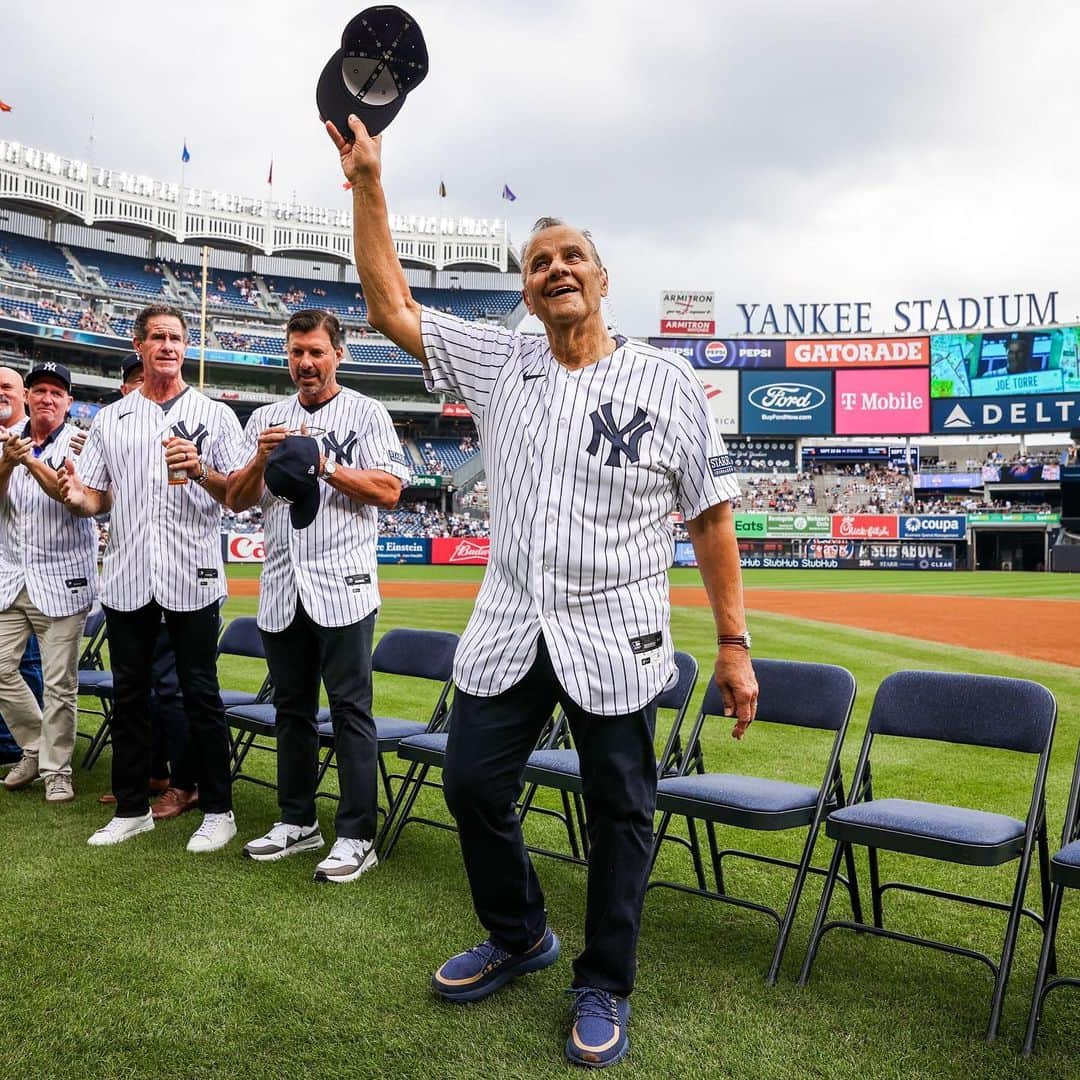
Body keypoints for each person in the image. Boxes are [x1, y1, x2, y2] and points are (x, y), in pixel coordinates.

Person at [327, 115, 758, 1068]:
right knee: (471, 781)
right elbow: (392, 304)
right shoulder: (500, 360)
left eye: (572, 257)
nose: (555, 270)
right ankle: (521, 933)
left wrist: (732, 644)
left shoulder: (667, 382)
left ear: (604, 279)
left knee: (621, 812)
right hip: (512, 626)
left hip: (619, 634)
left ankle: (604, 981)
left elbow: (712, 518)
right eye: (538, 262)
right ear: (526, 288)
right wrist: (368, 181)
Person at [228, 309, 409, 882]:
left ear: (338, 353)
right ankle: (297, 820)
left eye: (316, 352)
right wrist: (261, 455)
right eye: (297, 353)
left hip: (344, 585)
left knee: (352, 711)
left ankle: (357, 834)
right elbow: (235, 500)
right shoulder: (267, 417)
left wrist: (326, 465)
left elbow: (390, 489)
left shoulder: (367, 412)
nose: (306, 363)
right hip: (282, 585)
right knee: (292, 711)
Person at [56, 304, 245, 851]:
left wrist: (202, 470)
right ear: (139, 347)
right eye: (158, 337)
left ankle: (218, 808)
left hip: (193, 571)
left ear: (186, 348)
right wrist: (76, 495)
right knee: (131, 693)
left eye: (177, 338)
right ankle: (132, 807)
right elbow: (93, 496)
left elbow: (238, 495)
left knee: (199, 693)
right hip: (128, 573)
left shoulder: (214, 414)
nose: (167, 346)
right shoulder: (111, 419)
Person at [0, 362, 96, 802]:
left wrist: (29, 462)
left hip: (62, 581)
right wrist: (8, 463)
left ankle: (57, 771)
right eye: (39, 390)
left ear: (69, 402)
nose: (47, 399)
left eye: (57, 393)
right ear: (27, 397)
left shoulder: (83, 442)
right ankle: (36, 746)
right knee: (1, 669)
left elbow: (74, 499)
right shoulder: (8, 442)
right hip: (12, 578)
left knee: (60, 683)